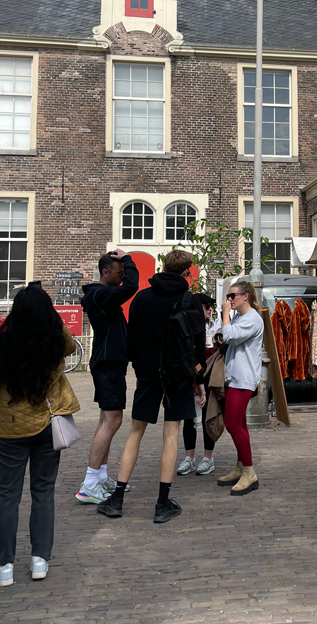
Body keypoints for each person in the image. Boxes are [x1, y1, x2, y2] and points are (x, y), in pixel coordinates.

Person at [97, 250, 206, 524]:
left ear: (163, 267)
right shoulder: (190, 300)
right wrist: (199, 381)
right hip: (178, 377)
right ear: (186, 272)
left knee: (136, 432)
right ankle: (162, 503)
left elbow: (131, 339)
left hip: (147, 374)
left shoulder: (142, 297)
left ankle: (117, 499)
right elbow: (197, 345)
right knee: (171, 434)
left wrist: (140, 366)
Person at [0, 284, 80, 587]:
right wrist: (53, 317)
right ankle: (39, 560)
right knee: (43, 492)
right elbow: (70, 345)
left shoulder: (4, 341)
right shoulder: (55, 340)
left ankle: (4, 565)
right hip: (48, 423)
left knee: (7, 495)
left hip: (9, 426)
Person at [77, 249, 138, 503]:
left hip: (110, 364)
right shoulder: (101, 294)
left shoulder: (101, 296)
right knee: (112, 421)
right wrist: (128, 258)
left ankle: (100, 477)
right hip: (107, 365)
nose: (122, 277)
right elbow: (131, 287)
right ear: (105, 272)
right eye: (119, 273)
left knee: (107, 420)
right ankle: (90, 484)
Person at [216, 280, 264, 496]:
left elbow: (229, 336)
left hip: (243, 379)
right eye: (228, 296)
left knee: (233, 424)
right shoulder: (240, 317)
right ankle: (241, 466)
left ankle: (249, 472)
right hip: (235, 377)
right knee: (240, 425)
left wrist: (225, 314)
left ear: (246, 296)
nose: (229, 300)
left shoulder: (252, 319)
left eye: (232, 295)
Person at [177, 294, 217, 476]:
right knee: (189, 418)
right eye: (206, 306)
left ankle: (208, 457)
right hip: (191, 378)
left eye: (211, 306)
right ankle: (189, 458)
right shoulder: (188, 326)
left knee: (208, 417)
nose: (210, 309)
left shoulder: (215, 327)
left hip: (209, 379)